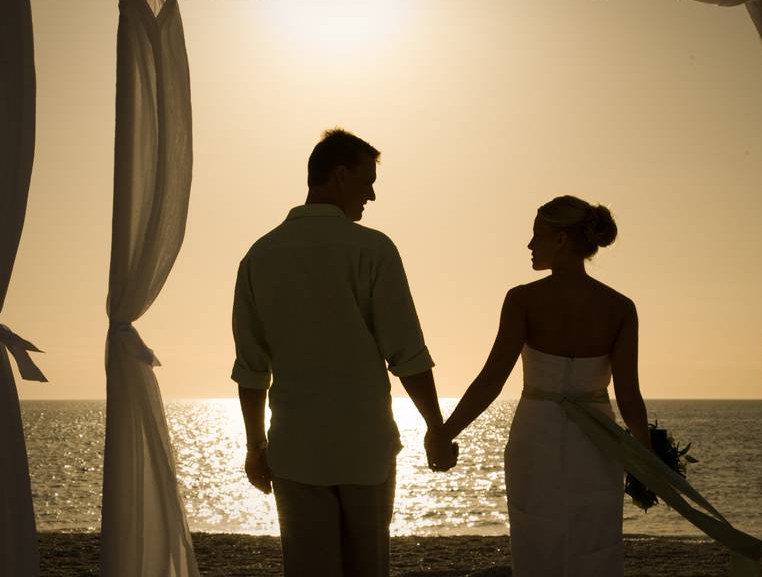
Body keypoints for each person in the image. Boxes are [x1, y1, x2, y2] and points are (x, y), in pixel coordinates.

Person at [230, 128, 457, 577]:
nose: (372, 194)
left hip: (296, 451)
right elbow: (407, 354)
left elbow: (252, 370)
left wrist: (256, 447)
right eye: (367, 179)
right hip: (364, 449)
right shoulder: (372, 250)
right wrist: (436, 427)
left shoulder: (258, 257)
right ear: (339, 175)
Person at [441, 195, 651, 577]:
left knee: (537, 538)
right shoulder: (620, 307)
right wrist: (646, 459)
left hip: (535, 436)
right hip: (597, 441)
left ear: (561, 240)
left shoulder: (522, 300)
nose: (529, 244)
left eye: (537, 234)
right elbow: (629, 396)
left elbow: (492, 379)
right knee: (594, 540)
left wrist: (445, 433)